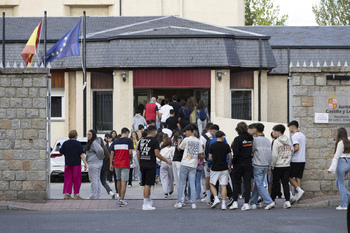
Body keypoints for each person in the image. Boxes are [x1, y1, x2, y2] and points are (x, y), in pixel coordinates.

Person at [137, 125, 172, 210]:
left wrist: (140, 163)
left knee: (146, 183)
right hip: (150, 164)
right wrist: (166, 160)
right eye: (155, 132)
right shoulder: (154, 141)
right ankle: (145, 204)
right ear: (153, 132)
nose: (156, 133)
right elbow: (156, 153)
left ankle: (148, 200)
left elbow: (138, 152)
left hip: (143, 164)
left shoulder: (141, 140)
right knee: (148, 184)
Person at [174, 125, 204, 210]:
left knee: (181, 183)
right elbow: (200, 154)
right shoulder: (198, 141)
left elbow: (179, 148)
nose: (185, 133)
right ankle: (193, 203)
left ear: (189, 131)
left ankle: (179, 202)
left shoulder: (186, 140)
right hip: (193, 164)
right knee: (192, 184)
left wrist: (179, 142)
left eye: (186, 131)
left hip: (185, 163)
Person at [249, 123, 275, 210]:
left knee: (259, 184)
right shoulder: (268, 140)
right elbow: (271, 154)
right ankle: (253, 202)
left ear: (256, 130)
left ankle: (269, 201)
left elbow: (251, 152)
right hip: (266, 164)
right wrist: (270, 166)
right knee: (257, 183)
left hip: (258, 164)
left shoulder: (255, 140)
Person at [230, 122, 254, 211]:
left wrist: (233, 161)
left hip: (238, 164)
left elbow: (236, 153)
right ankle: (246, 203)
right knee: (247, 183)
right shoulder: (250, 139)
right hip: (248, 163)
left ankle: (235, 201)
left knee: (236, 183)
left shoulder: (237, 139)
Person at [271, 124, 294, 209]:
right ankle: (287, 201)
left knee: (275, 183)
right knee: (285, 183)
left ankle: (272, 200)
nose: (273, 132)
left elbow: (274, 155)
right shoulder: (288, 140)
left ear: (278, 132)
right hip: (287, 164)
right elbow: (292, 150)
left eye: (274, 131)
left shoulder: (276, 142)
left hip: (278, 165)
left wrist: (272, 165)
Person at [110, 128, 134, 207]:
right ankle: (122, 200)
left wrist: (111, 164)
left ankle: (119, 197)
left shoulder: (115, 141)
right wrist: (131, 159)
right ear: (127, 133)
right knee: (124, 182)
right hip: (125, 163)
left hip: (116, 163)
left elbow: (112, 154)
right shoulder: (129, 140)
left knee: (118, 180)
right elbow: (130, 152)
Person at [60, 130, 87, 200]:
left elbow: (61, 151)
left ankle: (67, 194)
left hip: (68, 163)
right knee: (77, 179)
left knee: (68, 178)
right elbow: (81, 154)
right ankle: (76, 194)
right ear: (75, 136)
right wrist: (85, 163)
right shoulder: (78, 144)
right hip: (76, 164)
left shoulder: (65, 143)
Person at [208, 130, 232, 210]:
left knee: (212, 183)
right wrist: (229, 165)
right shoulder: (226, 145)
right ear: (222, 137)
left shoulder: (212, 145)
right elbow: (230, 155)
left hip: (215, 167)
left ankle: (216, 198)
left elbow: (210, 158)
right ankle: (224, 204)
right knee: (223, 185)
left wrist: (213, 159)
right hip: (224, 167)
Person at [328, 128, 350, 210]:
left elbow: (336, 157)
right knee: (337, 183)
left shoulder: (341, 143)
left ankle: (344, 205)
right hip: (348, 162)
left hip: (342, 162)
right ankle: (347, 194)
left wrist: (331, 168)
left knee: (340, 184)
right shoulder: (348, 141)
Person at [288, 120, 306, 204]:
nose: (289, 129)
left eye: (289, 127)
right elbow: (305, 148)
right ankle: (297, 195)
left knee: (289, 177)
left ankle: (299, 190)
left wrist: (290, 152)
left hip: (295, 160)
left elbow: (296, 147)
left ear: (292, 127)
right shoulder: (303, 135)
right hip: (302, 159)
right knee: (298, 177)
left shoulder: (294, 136)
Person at [85, 129, 104, 199]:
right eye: (88, 134)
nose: (88, 136)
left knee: (93, 180)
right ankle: (97, 195)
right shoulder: (94, 142)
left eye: (90, 134)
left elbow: (100, 150)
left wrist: (101, 157)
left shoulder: (94, 143)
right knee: (96, 179)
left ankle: (93, 195)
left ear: (93, 135)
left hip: (94, 163)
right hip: (96, 162)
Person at [200, 122, 214, 203]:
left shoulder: (203, 137)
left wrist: (202, 160)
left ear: (206, 129)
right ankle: (216, 194)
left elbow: (201, 148)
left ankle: (208, 196)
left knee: (207, 178)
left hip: (207, 159)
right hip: (216, 160)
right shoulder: (218, 135)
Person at [172, 131, 185, 198]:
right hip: (180, 161)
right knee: (181, 181)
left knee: (177, 181)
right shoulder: (183, 139)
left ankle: (180, 197)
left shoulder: (177, 140)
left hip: (175, 160)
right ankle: (182, 197)